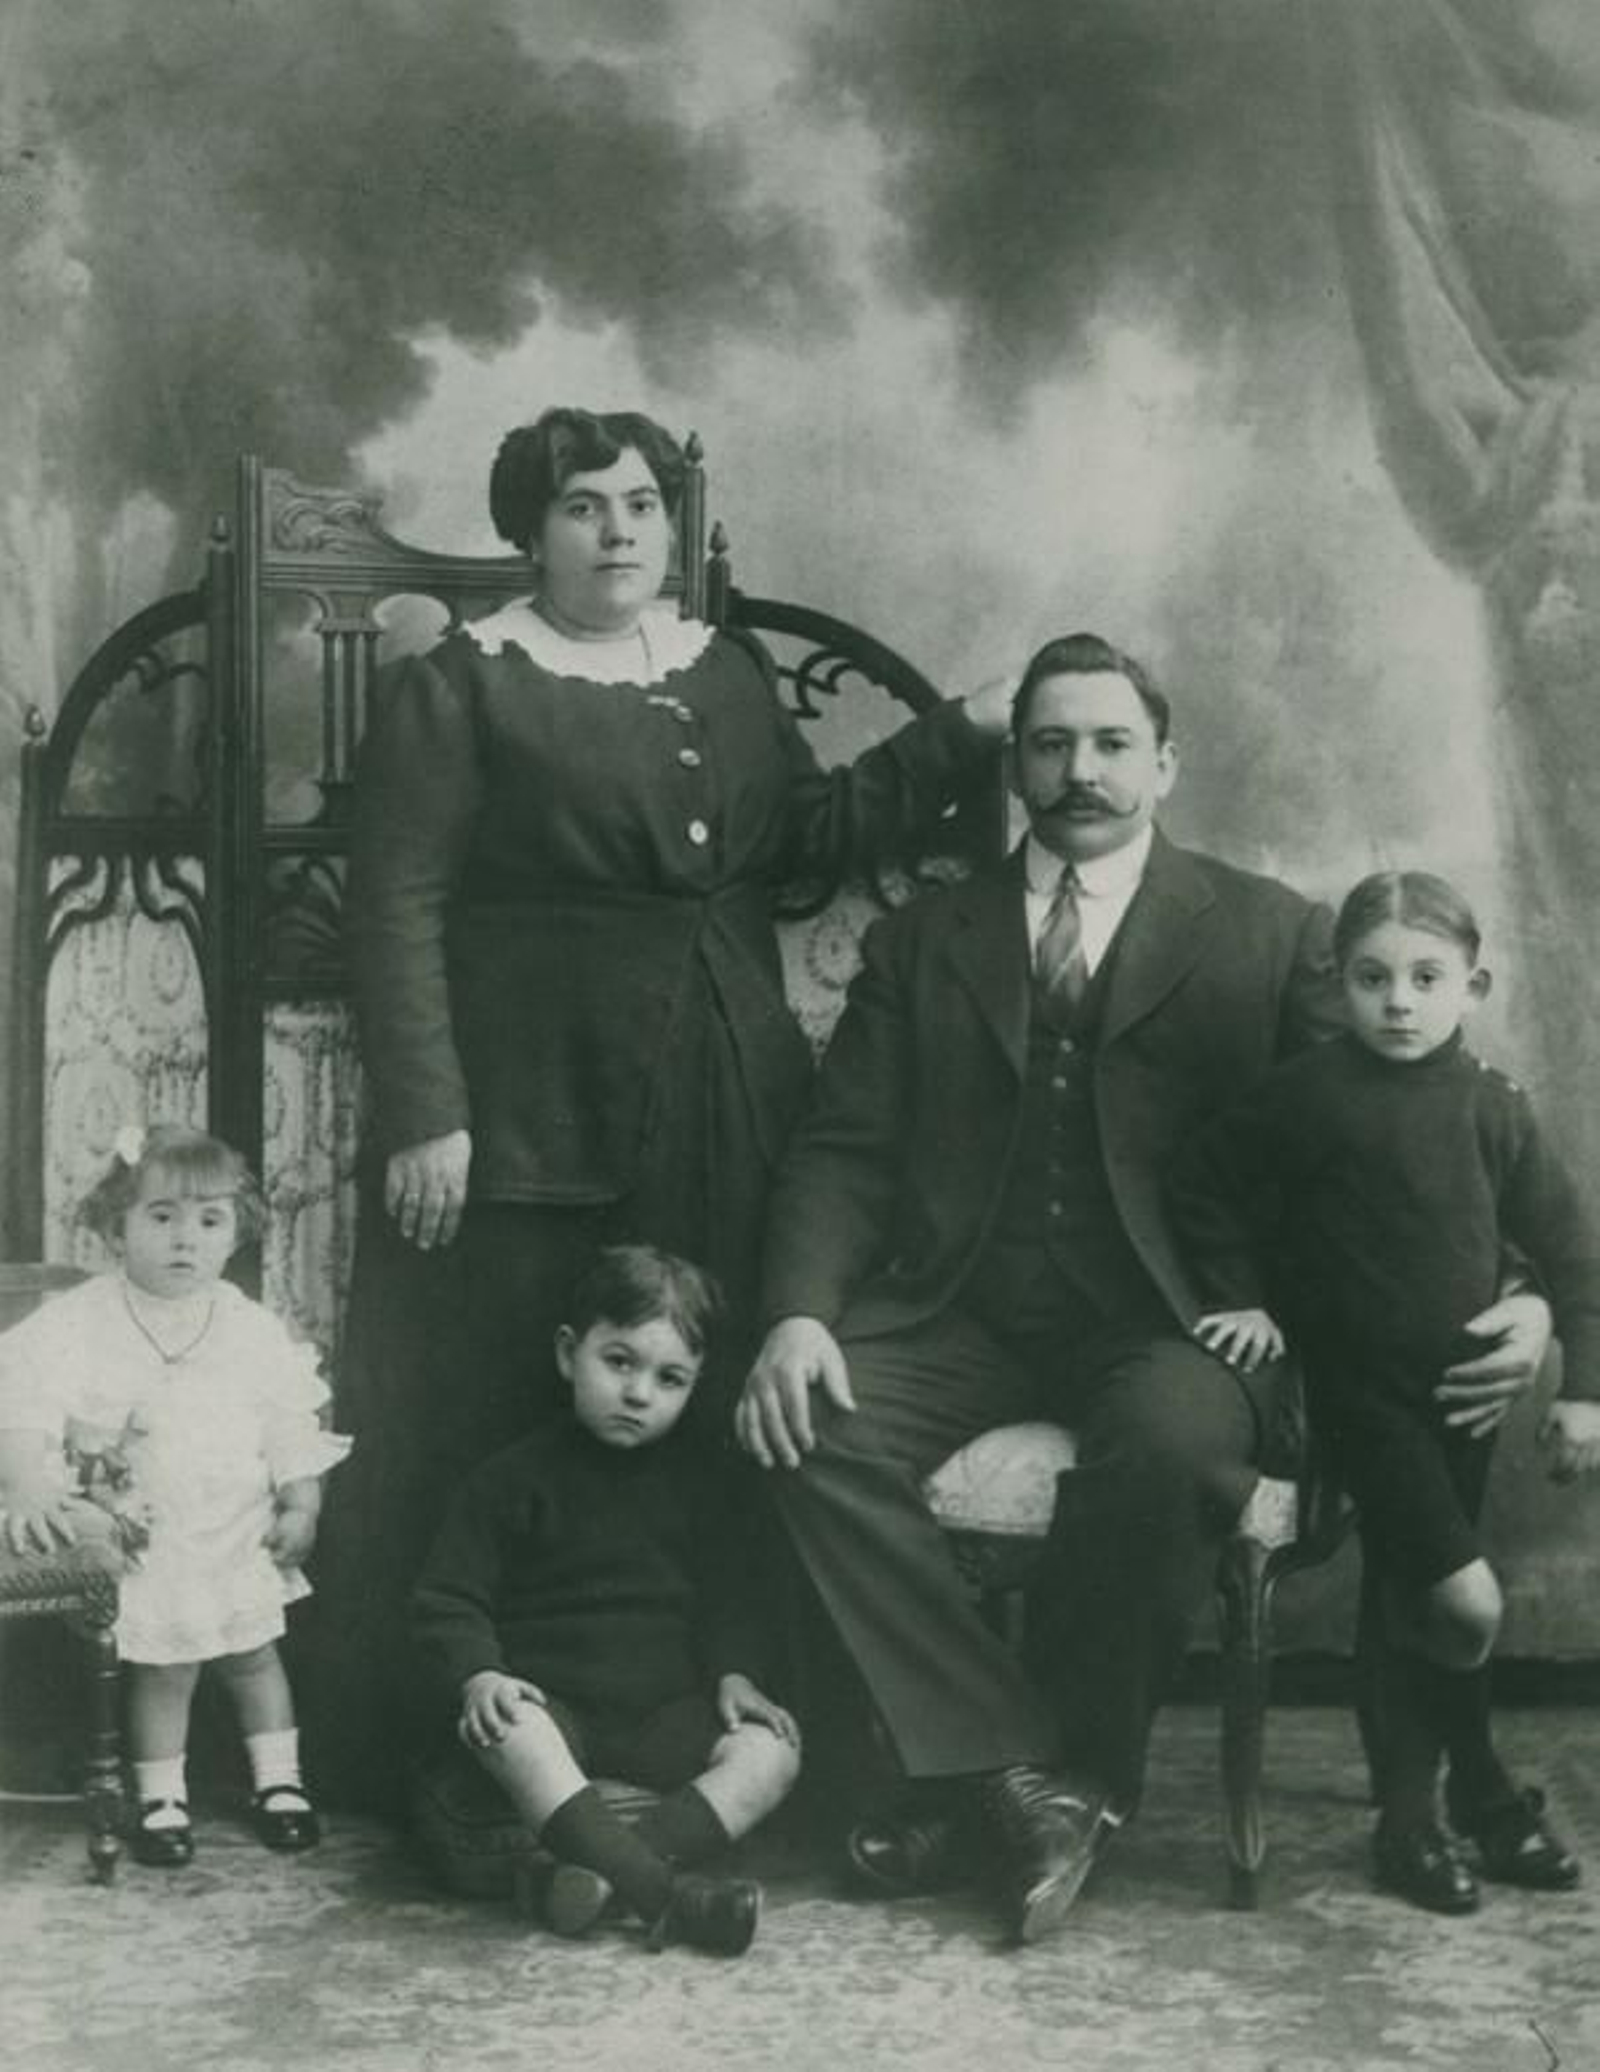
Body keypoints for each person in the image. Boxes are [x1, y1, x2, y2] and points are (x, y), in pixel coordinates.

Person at [734, 633, 1554, 1944]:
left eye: (1114, 744)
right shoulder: (925, 936)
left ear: (1165, 764)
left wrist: (1528, 1287)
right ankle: (1018, 1777)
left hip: (1174, 1318)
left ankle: (1047, 1773)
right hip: (961, 1304)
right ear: (1015, 762)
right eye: (1052, 743)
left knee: (1170, 1448)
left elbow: (1403, 1132)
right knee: (801, 1428)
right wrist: (792, 1316)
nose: (1082, 771)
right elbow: (846, 1148)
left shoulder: (1270, 930)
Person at [317, 405, 1007, 1802]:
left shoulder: (723, 669)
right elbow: (395, 902)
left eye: (641, 503)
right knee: (526, 1403)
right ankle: (490, 1761)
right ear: (531, 530)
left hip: (732, 1090)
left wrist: (959, 736)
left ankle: (741, 1738)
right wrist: (428, 1112)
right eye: (584, 506)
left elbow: (804, 845)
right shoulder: (463, 683)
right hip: (533, 1108)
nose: (621, 529)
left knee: (717, 1403)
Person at [1166, 869, 1600, 1912]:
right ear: (1338, 983)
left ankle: (1431, 1814)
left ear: (1472, 982)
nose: (1397, 1001)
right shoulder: (1307, 1092)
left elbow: (1573, 1253)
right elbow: (1200, 1183)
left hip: (1464, 1395)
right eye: (1371, 978)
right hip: (1359, 1398)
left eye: (1423, 976)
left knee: (1406, 1598)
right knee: (1461, 1600)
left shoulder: (1493, 1103)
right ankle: (1463, 1792)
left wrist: (1583, 1388)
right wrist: (1245, 1299)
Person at [411, 1245, 800, 1955]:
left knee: (772, 1751)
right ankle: (665, 1894)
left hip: (661, 1712)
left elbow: (732, 1595)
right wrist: (482, 1675)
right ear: (569, 1354)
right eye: (618, 1362)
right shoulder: (512, 1479)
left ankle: (591, 1870)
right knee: (511, 1730)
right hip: (556, 1707)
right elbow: (447, 1597)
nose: (639, 1393)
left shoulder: (703, 1484)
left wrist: (736, 1672)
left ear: (695, 1384)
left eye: (669, 1377)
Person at [0, 1123, 349, 1868]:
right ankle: (162, 1795)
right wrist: (26, 1474)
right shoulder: (86, 1316)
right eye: (161, 1218)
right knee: (164, 1667)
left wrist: (301, 1501)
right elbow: (23, 1392)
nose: (184, 1240)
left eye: (209, 1221)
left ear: (235, 1236)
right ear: (116, 1226)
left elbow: (289, 1420)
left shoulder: (249, 1325)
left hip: (235, 1530)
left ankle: (280, 1783)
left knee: (256, 1657)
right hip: (146, 1536)